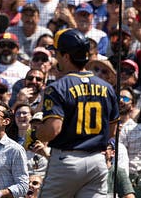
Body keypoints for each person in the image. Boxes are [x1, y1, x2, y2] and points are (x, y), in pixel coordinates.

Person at [35, 28, 119, 197]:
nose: (55, 57)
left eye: (58, 53)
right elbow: (112, 131)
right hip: (97, 161)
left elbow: (52, 130)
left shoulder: (58, 87)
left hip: (67, 162)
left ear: (66, 56)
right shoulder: (107, 87)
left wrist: (37, 132)